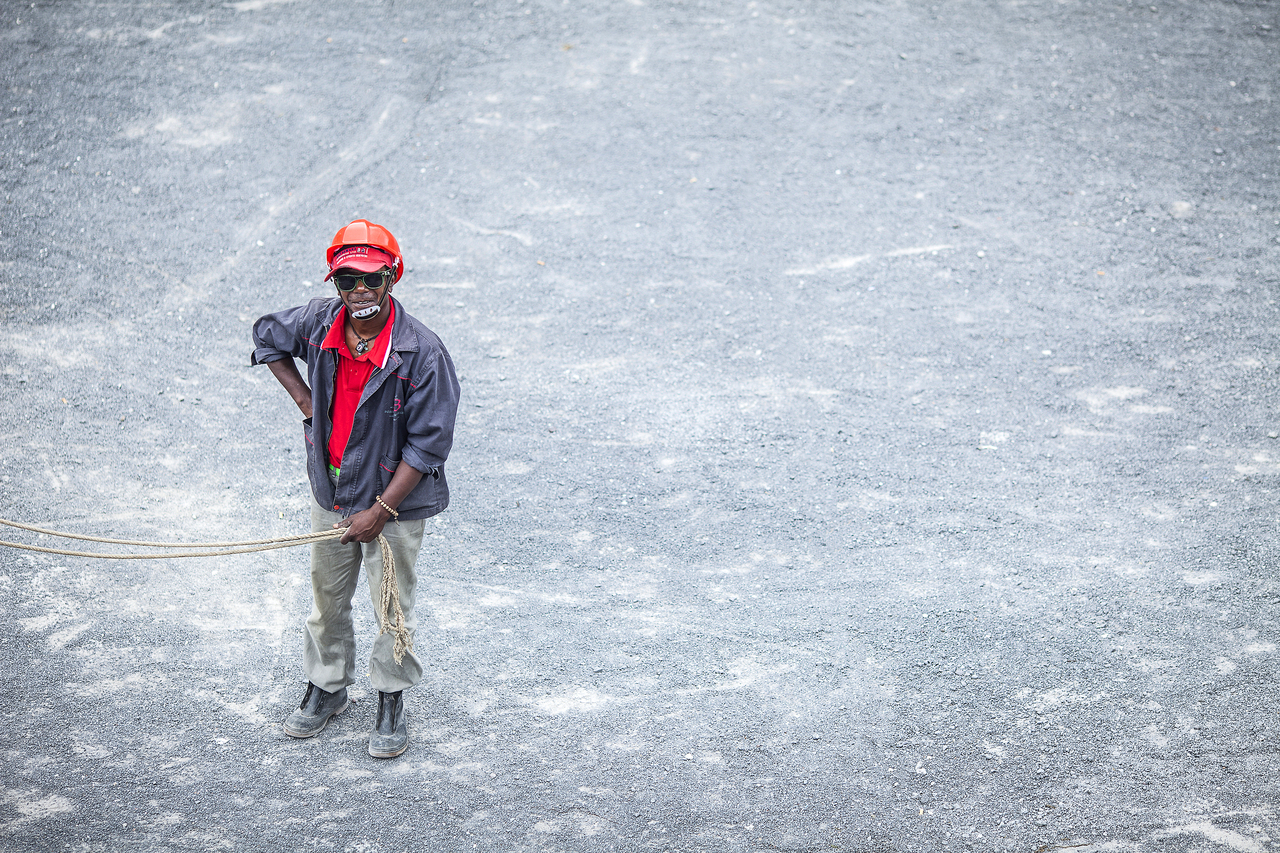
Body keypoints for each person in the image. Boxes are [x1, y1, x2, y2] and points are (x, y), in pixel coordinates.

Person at [250, 219, 460, 758]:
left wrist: (383, 509)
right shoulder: (321, 324)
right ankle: (327, 687)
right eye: (347, 281)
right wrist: (305, 403)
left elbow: (428, 447)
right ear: (335, 285)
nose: (359, 292)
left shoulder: (423, 354)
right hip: (333, 491)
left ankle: (390, 697)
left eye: (371, 279)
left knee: (390, 602)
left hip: (395, 501)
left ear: (394, 277)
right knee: (326, 597)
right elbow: (267, 335)